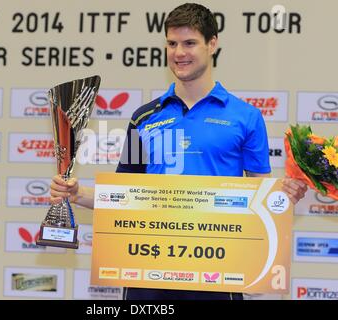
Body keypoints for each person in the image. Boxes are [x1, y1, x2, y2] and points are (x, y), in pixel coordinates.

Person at [50, 3, 307, 300]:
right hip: (147, 270)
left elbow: (260, 195)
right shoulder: (143, 117)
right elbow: (122, 197)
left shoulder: (246, 117)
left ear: (212, 44)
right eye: (172, 43)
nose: (178, 52)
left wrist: (283, 197)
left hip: (216, 272)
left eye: (189, 43)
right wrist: (76, 193)